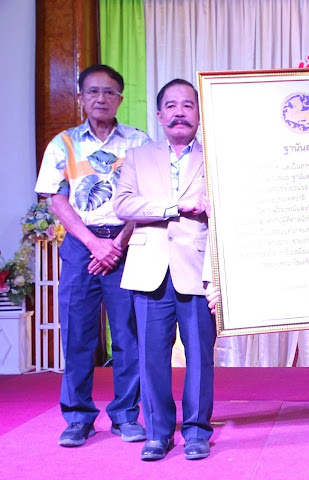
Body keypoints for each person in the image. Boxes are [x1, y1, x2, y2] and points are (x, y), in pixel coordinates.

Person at [35, 64, 149, 447]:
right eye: (93, 91)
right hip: (80, 248)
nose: (101, 98)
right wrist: (93, 244)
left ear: (120, 98)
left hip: (126, 246)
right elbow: (57, 199)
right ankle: (78, 418)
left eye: (109, 92)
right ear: (81, 97)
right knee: (78, 335)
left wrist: (117, 243)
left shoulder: (138, 141)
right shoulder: (63, 143)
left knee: (128, 336)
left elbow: (148, 196)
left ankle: (126, 415)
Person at [113, 79, 215, 461]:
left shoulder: (216, 156)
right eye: (171, 106)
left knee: (200, 357)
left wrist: (214, 204)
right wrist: (175, 207)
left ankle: (197, 432)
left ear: (199, 114)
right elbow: (123, 205)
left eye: (187, 105)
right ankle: (158, 433)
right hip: (148, 269)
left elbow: (231, 206)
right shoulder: (138, 157)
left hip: (198, 268)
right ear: (159, 115)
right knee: (151, 357)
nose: (179, 113)